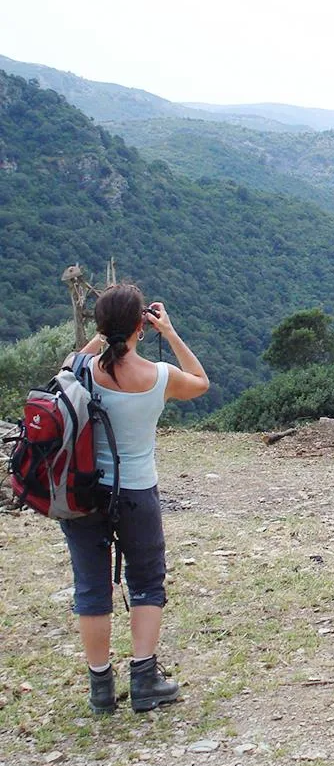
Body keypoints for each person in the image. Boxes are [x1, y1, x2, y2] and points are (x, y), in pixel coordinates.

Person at [60, 283, 209, 714]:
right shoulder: (159, 378)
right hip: (136, 492)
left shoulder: (81, 367)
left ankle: (100, 689)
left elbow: (69, 363)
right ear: (140, 328)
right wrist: (170, 332)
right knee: (146, 581)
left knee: (91, 587)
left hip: (83, 492)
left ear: (101, 328)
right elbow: (201, 381)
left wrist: (106, 334)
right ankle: (144, 680)